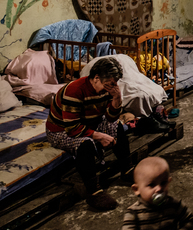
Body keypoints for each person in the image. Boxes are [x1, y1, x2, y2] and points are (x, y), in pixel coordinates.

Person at [46, 57, 131, 211]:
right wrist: (100, 136)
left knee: (117, 125)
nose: (113, 86)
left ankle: (127, 169)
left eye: (115, 83)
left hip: (88, 124)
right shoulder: (74, 90)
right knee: (85, 144)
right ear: (96, 78)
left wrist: (117, 98)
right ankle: (94, 191)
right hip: (61, 131)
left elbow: (111, 118)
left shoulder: (107, 89)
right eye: (110, 83)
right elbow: (72, 128)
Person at [121, 156, 193, 230]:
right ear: (136, 189)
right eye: (152, 185)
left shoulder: (175, 205)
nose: (159, 189)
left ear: (168, 182)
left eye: (163, 183)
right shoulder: (133, 212)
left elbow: (189, 219)